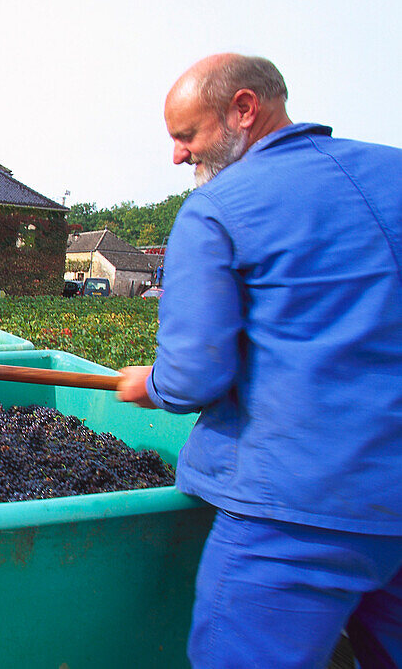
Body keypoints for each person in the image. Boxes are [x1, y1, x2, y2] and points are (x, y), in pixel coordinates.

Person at [117, 53, 402, 667]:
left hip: (297, 513)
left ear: (243, 110)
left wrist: (154, 385)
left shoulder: (219, 207)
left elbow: (196, 373)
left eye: (186, 135)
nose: (177, 155)